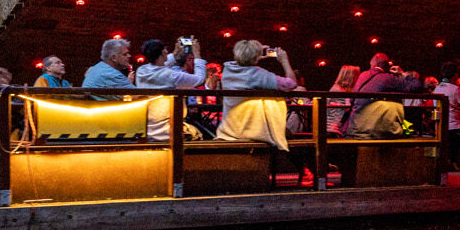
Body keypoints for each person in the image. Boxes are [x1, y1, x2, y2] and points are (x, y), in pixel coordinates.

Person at [218, 39, 308, 181]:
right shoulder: (256, 74)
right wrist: (284, 61)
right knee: (286, 135)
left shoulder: (228, 70)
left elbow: (243, 64)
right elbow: (291, 84)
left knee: (285, 133)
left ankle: (303, 171)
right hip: (251, 127)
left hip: (230, 126)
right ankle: (308, 172)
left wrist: (254, 56)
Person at [130, 38, 209, 140]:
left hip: (146, 128)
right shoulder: (173, 76)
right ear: (164, 52)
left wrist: (175, 53)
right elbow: (199, 79)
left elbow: (159, 67)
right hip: (169, 130)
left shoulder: (141, 71)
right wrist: (197, 56)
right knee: (200, 135)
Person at [346, 52, 424, 137]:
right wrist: (402, 73)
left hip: (355, 126)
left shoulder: (362, 76)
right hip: (374, 130)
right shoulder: (388, 78)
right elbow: (417, 86)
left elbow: (352, 100)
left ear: (375, 64)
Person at [433, 69, 460, 168]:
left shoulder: (436, 89)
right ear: (455, 75)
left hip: (441, 125)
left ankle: (452, 161)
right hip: (454, 125)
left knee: (458, 140)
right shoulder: (455, 89)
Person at [326, 64, 361, 134]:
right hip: (333, 129)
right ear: (351, 77)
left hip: (336, 128)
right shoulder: (338, 91)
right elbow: (347, 110)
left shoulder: (339, 89)